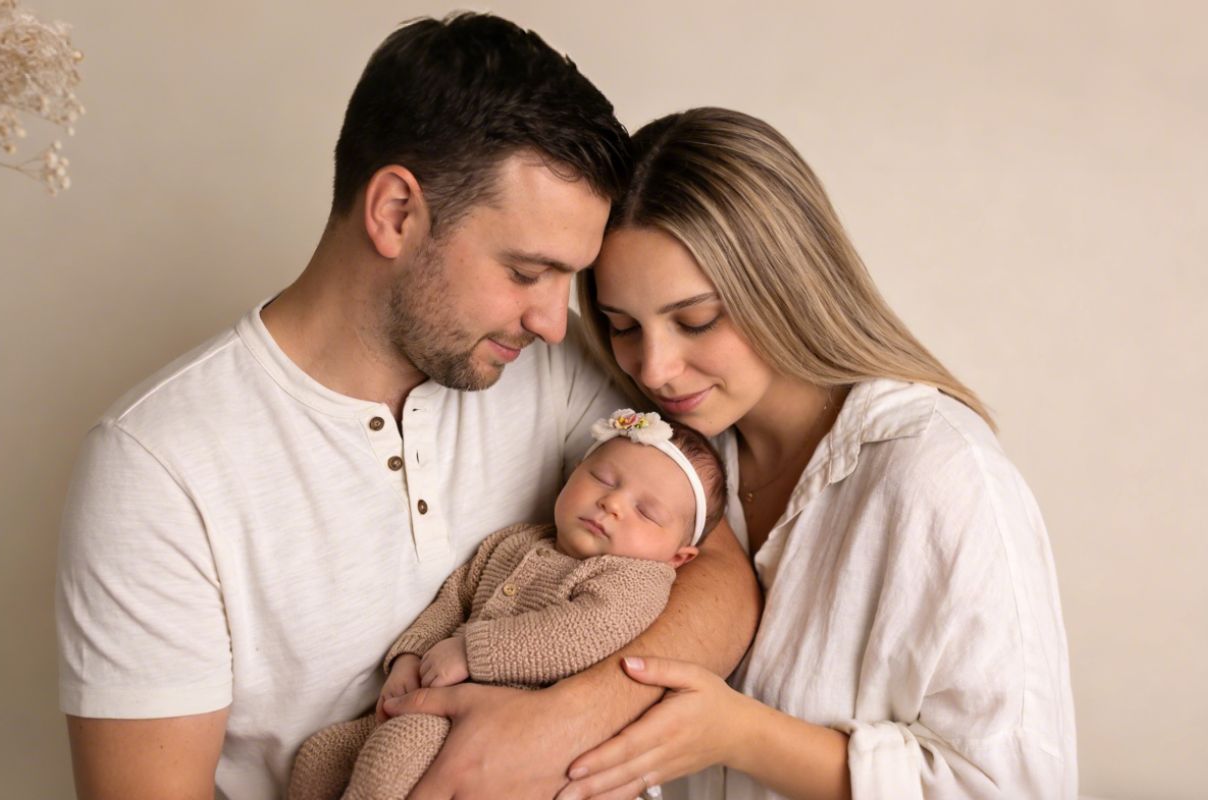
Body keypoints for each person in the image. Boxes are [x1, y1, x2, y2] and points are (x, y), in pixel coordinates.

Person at [55, 14, 760, 800]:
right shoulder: (158, 467)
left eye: (568, 279)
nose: (554, 322)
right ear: (395, 212)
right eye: (528, 272)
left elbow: (721, 576)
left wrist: (562, 723)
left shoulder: (550, 375)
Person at [555, 107, 1077, 799]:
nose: (655, 368)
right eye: (623, 326)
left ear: (787, 283)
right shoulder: (666, 459)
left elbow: (1014, 787)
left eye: (696, 320)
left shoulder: (942, 478)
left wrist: (740, 736)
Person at [287, 410, 728, 800]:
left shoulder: (638, 579)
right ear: (572, 472)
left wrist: (470, 651)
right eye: (603, 479)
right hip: (434, 697)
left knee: (396, 752)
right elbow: (454, 598)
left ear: (678, 557)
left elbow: (583, 632)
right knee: (320, 756)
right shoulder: (516, 541)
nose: (611, 503)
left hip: (515, 728)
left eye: (646, 512)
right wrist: (410, 657)